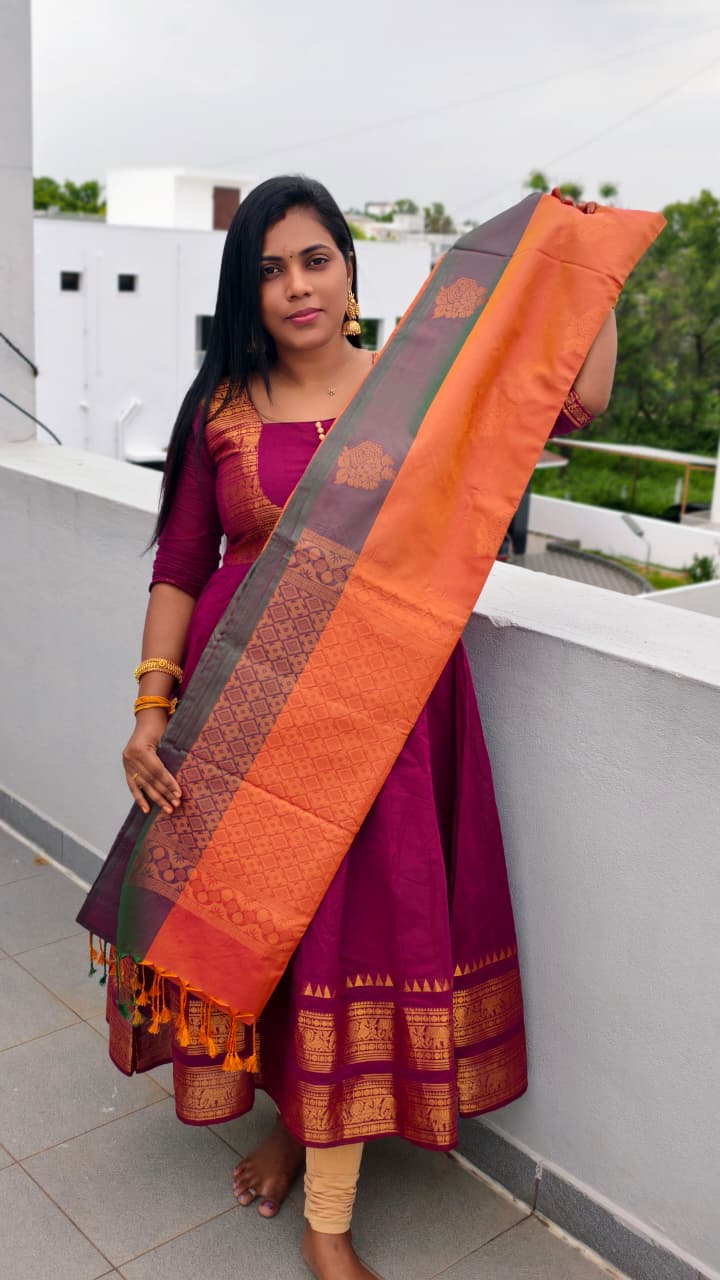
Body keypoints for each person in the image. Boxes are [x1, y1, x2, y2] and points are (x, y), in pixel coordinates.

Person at [82, 176, 621, 1280]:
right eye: (270, 269)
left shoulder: (414, 393)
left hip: (388, 717)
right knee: (270, 941)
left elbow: (579, 399)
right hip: (244, 715)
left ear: (350, 269)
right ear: (246, 290)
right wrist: (149, 714)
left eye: (315, 259)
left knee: (348, 942)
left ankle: (326, 1218)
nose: (297, 286)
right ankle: (292, 1128)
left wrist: (589, 271)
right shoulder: (222, 410)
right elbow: (181, 563)